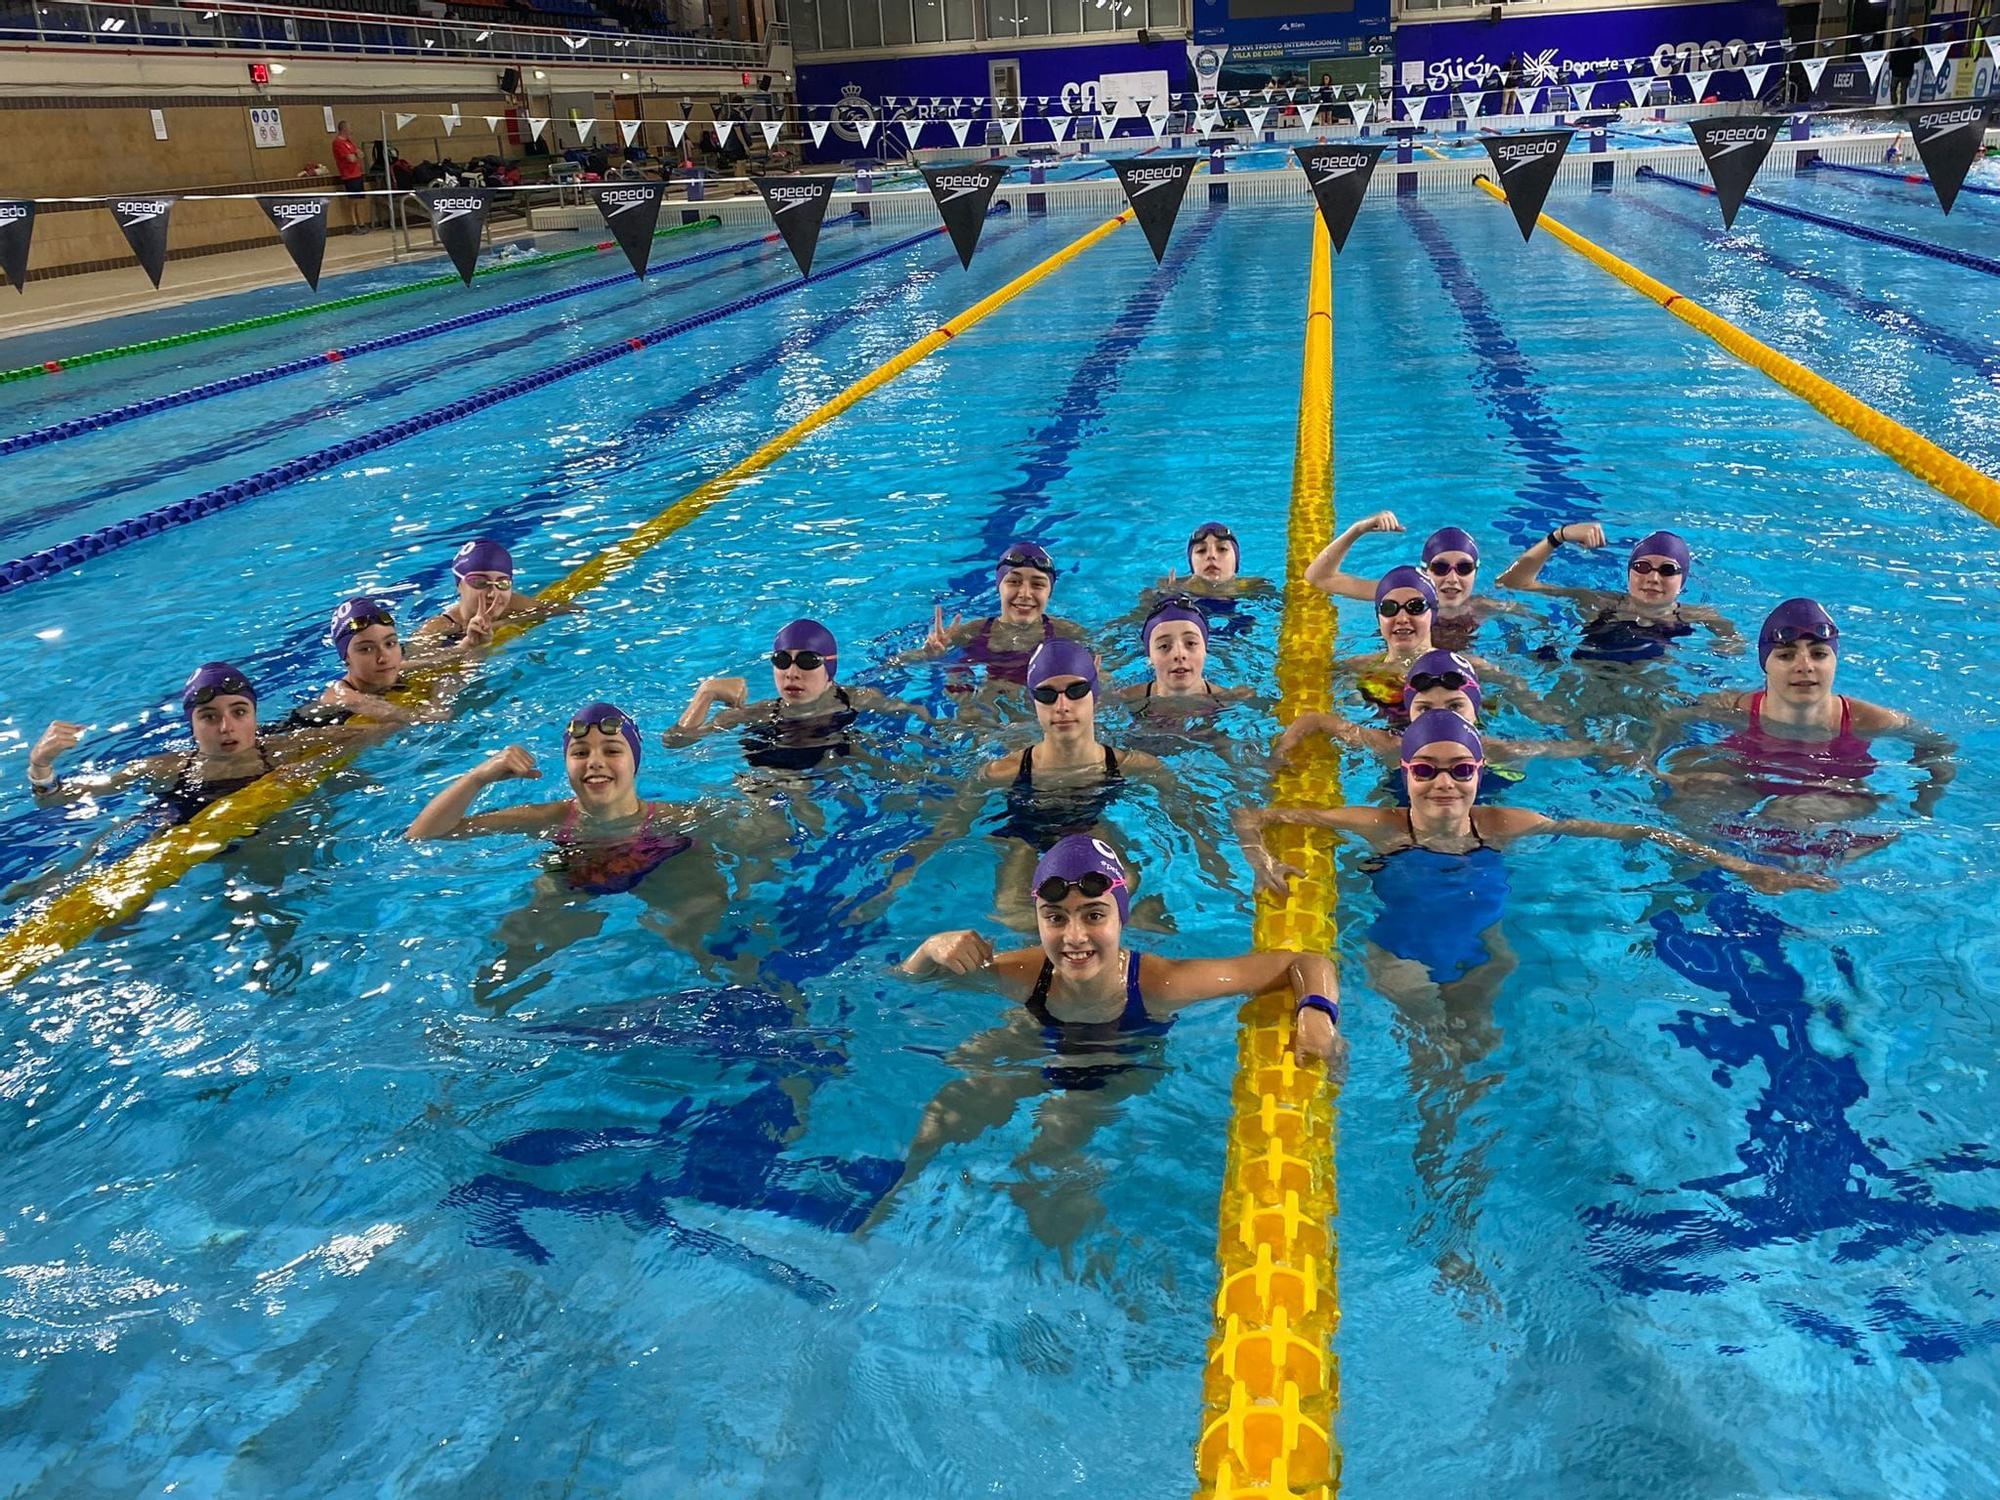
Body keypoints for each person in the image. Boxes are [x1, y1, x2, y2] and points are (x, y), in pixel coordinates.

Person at [873, 835, 1341, 1244]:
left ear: (1121, 918)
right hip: (1039, 1038)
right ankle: (883, 1213)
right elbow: (905, 984)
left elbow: (1307, 962)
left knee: (1050, 1160)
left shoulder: (1162, 982)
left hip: (1122, 1057)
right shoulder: (1022, 972)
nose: (1074, 937)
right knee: (942, 1114)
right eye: (1055, 918)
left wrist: (1317, 1015)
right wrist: (927, 950)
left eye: (1093, 915)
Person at [405, 701, 732, 997]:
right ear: (567, 764)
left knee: (708, 942)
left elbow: (744, 837)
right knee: (506, 967)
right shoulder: (548, 818)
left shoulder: (676, 819)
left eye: (612, 751)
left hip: (661, 860)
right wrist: (477, 778)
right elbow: (424, 835)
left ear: (635, 762)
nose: (595, 762)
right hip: (576, 874)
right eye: (580, 753)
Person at [1650, 598, 1955, 851]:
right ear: (1765, 664)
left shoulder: (1869, 720)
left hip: (1833, 790)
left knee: (1788, 816)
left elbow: (1938, 744)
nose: (1804, 666)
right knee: (1688, 803)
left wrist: (1924, 803)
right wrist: (1649, 764)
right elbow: (1671, 717)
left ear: (1834, 661)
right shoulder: (1732, 707)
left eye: (1819, 654)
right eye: (1785, 655)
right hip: (1749, 777)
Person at [25, 662, 341, 825]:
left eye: (239, 711)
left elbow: (379, 730)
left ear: (255, 718)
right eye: (208, 716)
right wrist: (40, 765)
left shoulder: (287, 748)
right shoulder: (165, 769)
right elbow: (53, 800)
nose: (226, 727)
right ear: (192, 726)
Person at [1276, 649, 1608, 781]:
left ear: (1475, 711)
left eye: (1454, 707)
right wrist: (1281, 752)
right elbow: (1315, 720)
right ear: (1409, 712)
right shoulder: (1392, 744)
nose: (1439, 719)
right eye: (1424, 709)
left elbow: (1565, 749)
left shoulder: (1495, 748)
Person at [665, 617, 924, 772]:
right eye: (781, 660)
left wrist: (928, 656)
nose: (792, 673)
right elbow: (676, 742)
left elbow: (914, 708)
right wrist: (705, 693)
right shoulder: (760, 713)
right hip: (774, 771)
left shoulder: (858, 698)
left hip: (837, 765)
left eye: (808, 660)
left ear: (829, 668)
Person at [1496, 524, 1737, 661]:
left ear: (1682, 581)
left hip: (1648, 690)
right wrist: (1558, 536)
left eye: (1667, 570)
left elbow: (1736, 650)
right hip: (1583, 684)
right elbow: (1512, 584)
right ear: (1629, 572)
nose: (1653, 578)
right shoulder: (1599, 602)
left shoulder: (1702, 616)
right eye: (1642, 567)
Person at [1305, 511, 1522, 650]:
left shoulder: (1485, 607)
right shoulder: (1398, 593)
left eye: (1464, 568)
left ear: (1475, 572)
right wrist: (1358, 529)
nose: (1452, 578)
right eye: (1440, 567)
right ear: (1425, 571)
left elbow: (1538, 621)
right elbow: (1319, 578)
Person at [904, 541, 1088, 689]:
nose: (1025, 593)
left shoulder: (1066, 633)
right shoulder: (972, 632)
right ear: (999, 587)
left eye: (1038, 584)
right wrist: (929, 655)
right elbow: (897, 664)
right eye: (1014, 582)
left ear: (1049, 592)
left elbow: (1097, 673)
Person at [277, 596, 449, 730]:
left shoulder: (392, 669)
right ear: (346, 657)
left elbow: (444, 660)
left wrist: (469, 644)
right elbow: (403, 716)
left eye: (390, 644)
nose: (384, 658)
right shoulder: (342, 695)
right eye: (366, 649)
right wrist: (432, 711)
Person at [1112, 596, 1254, 719]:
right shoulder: (1126, 699)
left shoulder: (1232, 700)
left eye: (1190, 643)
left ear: (1205, 651)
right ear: (1149, 657)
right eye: (1164, 646)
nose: (1179, 654)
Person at [412, 540, 561, 651]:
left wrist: (501, 624)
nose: (492, 594)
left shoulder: (512, 604)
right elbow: (402, 669)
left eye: (502, 584)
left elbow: (568, 609)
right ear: (459, 586)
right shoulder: (437, 629)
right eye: (479, 583)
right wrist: (466, 645)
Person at [332, 120, 369, 233]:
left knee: (360, 200)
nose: (351, 130)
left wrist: (355, 155)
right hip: (349, 176)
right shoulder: (338, 143)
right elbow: (351, 159)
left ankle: (361, 223)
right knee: (353, 201)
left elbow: (361, 154)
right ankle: (354, 225)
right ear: (344, 129)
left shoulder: (349, 142)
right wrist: (355, 155)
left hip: (357, 174)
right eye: (349, 128)